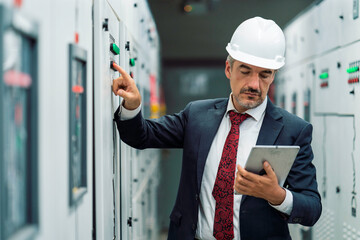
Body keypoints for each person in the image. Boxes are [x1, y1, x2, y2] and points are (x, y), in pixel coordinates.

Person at [112, 16, 321, 240]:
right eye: (245, 70)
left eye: (264, 74)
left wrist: (277, 195)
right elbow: (142, 136)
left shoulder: (293, 130)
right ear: (228, 69)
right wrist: (132, 106)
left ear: (273, 77)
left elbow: (311, 209)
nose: (254, 84)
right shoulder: (197, 115)